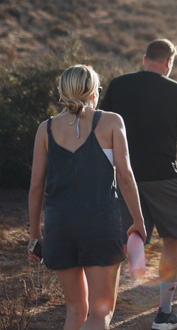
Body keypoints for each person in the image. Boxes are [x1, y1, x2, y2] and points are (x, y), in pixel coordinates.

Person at [28, 65, 147, 329]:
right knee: (100, 313)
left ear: (62, 91)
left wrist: (35, 231)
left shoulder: (45, 129)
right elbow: (125, 178)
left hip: (59, 227)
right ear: (94, 92)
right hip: (100, 225)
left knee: (74, 310)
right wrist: (138, 221)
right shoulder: (112, 122)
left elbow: (36, 186)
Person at [100, 39, 177, 330]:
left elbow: (102, 129)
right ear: (169, 62)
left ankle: (103, 310)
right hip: (162, 176)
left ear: (145, 59)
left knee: (132, 230)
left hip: (125, 176)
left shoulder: (118, 85)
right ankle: (164, 314)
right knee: (172, 239)